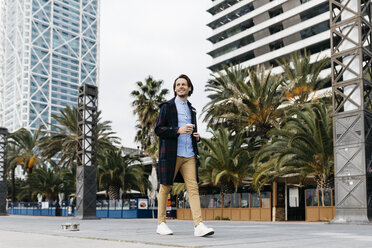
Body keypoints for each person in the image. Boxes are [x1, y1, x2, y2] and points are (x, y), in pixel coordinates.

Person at [155, 74, 214, 237]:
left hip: (189, 155)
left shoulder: (192, 109)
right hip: (172, 155)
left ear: (189, 88)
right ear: (175, 88)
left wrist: (197, 136)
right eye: (178, 84)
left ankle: (199, 225)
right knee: (165, 187)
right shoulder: (167, 106)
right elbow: (158, 129)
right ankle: (161, 223)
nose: (181, 86)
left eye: (184, 84)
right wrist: (177, 130)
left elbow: (192, 131)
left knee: (193, 189)